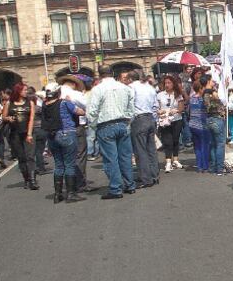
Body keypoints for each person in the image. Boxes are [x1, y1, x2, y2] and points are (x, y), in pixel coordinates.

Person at [86, 66, 136, 199]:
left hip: (105, 125)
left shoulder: (97, 89)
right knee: (125, 157)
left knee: (110, 159)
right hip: (122, 123)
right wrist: (128, 121)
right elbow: (131, 108)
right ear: (112, 73)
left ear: (100, 75)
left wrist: (93, 126)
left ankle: (115, 188)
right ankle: (129, 185)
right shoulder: (125, 88)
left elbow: (92, 111)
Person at [42, 83, 85, 203]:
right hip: (66, 133)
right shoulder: (64, 103)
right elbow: (80, 112)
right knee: (70, 164)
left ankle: (58, 194)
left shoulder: (45, 105)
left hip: (52, 136)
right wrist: (71, 102)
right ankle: (71, 194)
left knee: (59, 164)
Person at [2, 83, 38, 190]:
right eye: (24, 90)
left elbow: (32, 118)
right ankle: (26, 179)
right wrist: (8, 119)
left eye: (26, 90)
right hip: (15, 133)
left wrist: (29, 134)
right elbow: (3, 116)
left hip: (27, 132)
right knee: (21, 157)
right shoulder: (10, 103)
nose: (26, 92)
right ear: (18, 91)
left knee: (30, 156)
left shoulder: (30, 102)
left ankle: (32, 180)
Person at [127, 70, 160, 189]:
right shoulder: (149, 87)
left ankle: (146, 178)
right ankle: (154, 175)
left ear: (130, 79)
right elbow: (156, 105)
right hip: (150, 117)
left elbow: (129, 104)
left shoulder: (131, 87)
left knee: (140, 150)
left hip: (139, 118)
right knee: (151, 148)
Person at [156, 75, 185, 173]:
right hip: (165, 120)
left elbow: (181, 108)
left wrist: (176, 110)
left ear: (173, 84)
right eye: (166, 83)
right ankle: (168, 161)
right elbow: (157, 108)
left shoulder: (177, 95)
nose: (167, 85)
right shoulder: (160, 95)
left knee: (175, 139)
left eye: (169, 83)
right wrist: (160, 112)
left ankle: (175, 160)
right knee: (167, 141)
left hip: (176, 120)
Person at [201, 74, 227, 176]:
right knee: (220, 144)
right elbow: (217, 105)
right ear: (208, 81)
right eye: (211, 80)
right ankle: (219, 169)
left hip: (209, 119)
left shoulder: (204, 93)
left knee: (212, 144)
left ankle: (213, 167)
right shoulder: (212, 93)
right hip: (217, 118)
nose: (213, 82)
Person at [186, 77, 209, 173]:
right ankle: (205, 165)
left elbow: (188, 111)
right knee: (205, 145)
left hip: (192, 125)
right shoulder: (202, 99)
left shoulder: (192, 99)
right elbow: (207, 110)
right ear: (200, 89)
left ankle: (199, 166)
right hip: (202, 125)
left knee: (197, 146)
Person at [28, 86, 49, 176]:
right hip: (40, 128)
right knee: (39, 150)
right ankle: (41, 167)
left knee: (31, 151)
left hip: (31, 130)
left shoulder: (26, 109)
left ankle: (33, 168)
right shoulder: (39, 108)